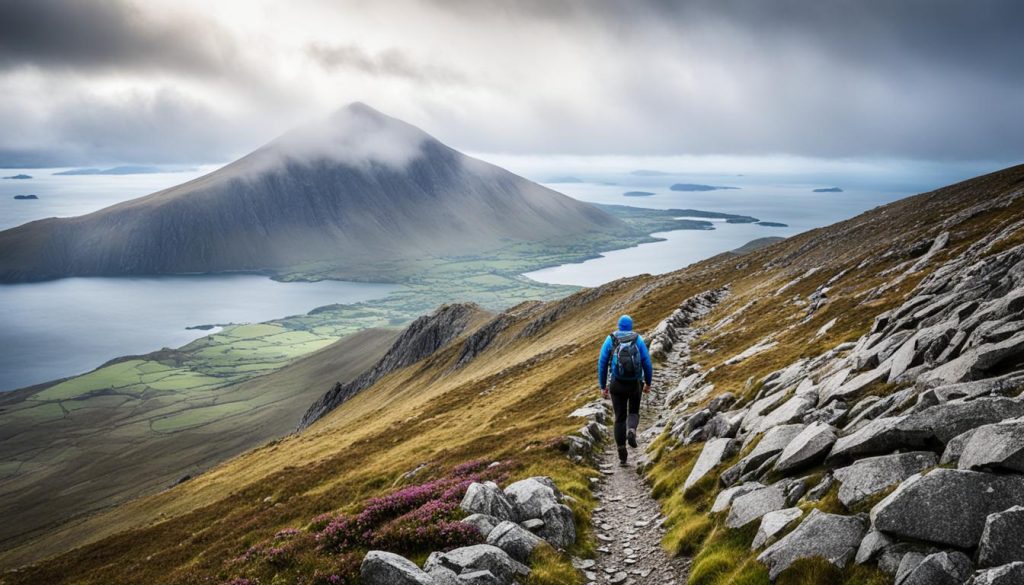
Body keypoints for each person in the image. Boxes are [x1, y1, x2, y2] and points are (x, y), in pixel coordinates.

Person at [597, 315, 653, 465]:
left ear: (619, 325)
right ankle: (632, 430)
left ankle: (622, 452)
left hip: (616, 384)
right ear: (631, 326)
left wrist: (603, 386)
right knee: (633, 411)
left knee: (620, 417)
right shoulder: (637, 339)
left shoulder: (611, 339)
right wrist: (648, 383)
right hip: (635, 383)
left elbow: (602, 364)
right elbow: (647, 362)